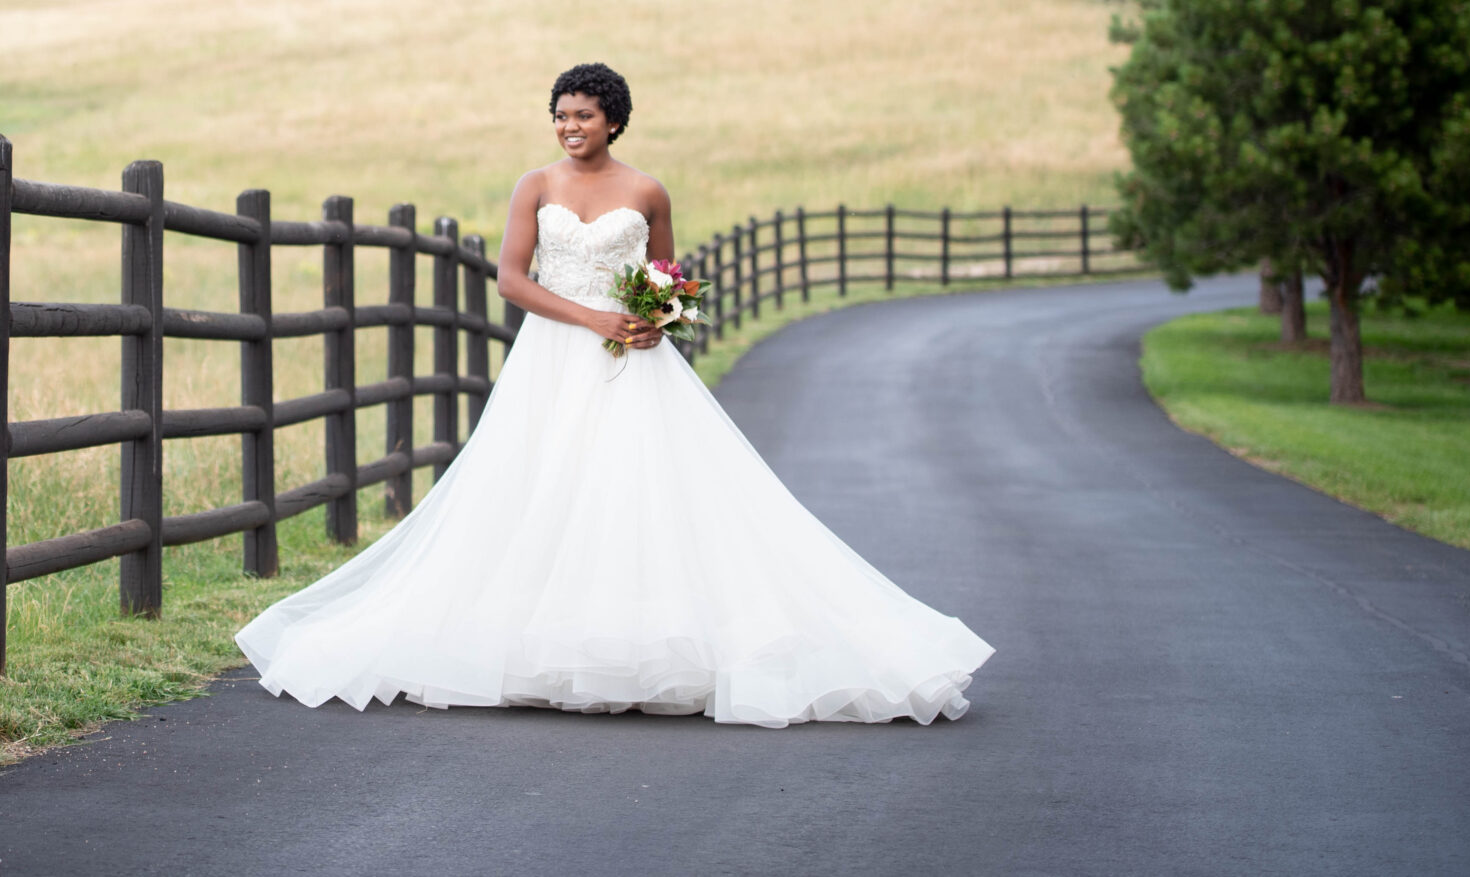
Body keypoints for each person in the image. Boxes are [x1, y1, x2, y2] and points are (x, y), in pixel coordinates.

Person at [235, 62, 992, 724]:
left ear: (615, 120)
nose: (570, 127)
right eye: (560, 115)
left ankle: (642, 646)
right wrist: (593, 314)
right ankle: (533, 642)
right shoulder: (534, 186)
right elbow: (512, 280)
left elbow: (668, 282)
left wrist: (658, 322)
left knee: (637, 491)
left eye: (584, 115)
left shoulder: (647, 189)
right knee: (539, 486)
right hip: (551, 360)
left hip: (631, 365)